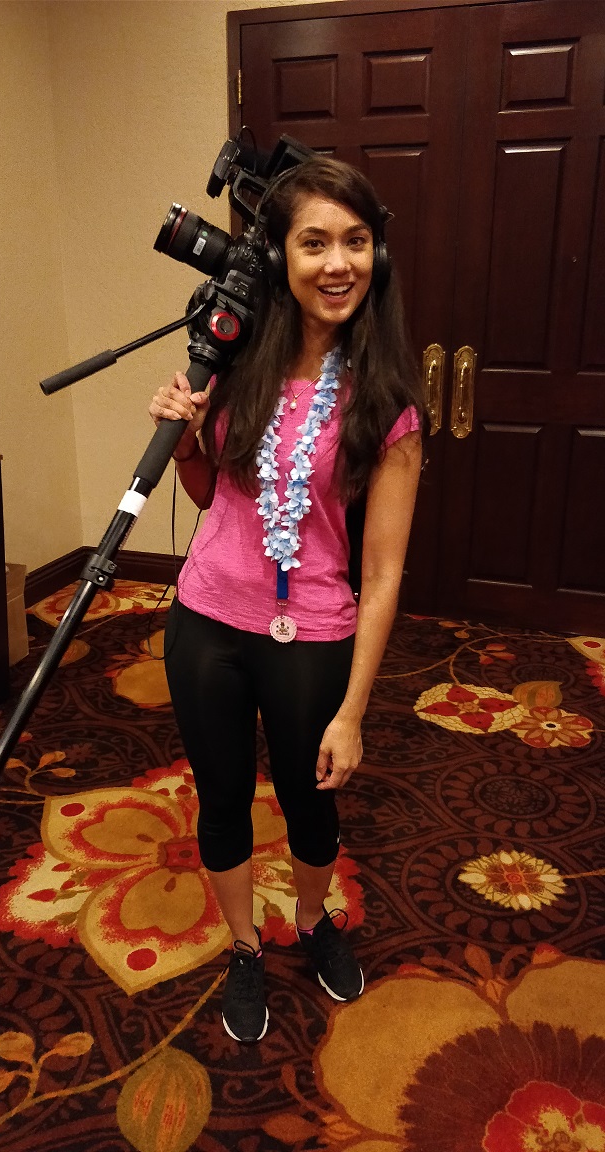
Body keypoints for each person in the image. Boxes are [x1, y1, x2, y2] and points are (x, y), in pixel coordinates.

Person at [148, 157, 424, 1043]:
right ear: (280, 257)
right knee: (222, 796)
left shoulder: (388, 402)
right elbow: (210, 494)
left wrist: (354, 712)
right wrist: (185, 440)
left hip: (314, 632)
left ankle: (310, 920)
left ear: (377, 255)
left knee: (311, 802)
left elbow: (382, 574)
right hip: (205, 621)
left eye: (356, 241)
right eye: (314, 243)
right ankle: (243, 946)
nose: (337, 263)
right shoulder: (238, 360)